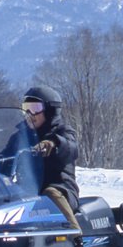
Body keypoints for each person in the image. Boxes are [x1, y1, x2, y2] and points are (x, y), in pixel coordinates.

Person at [20, 86, 81, 233]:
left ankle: (75, 235)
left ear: (49, 110)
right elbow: (5, 155)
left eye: (35, 108)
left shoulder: (62, 131)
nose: (30, 114)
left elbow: (72, 147)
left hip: (61, 189)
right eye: (26, 108)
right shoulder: (21, 136)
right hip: (28, 192)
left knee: (50, 193)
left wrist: (54, 143)